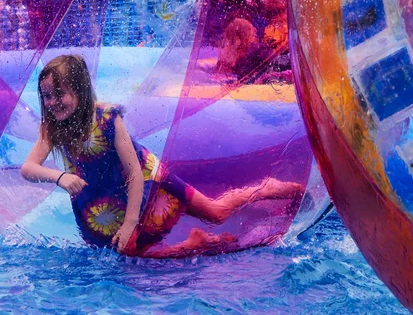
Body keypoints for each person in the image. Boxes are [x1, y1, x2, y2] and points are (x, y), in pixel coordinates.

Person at [21, 55, 302, 256]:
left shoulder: (107, 119)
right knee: (129, 256)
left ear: (80, 92)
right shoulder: (52, 128)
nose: (53, 103)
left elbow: (133, 173)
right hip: (103, 202)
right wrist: (59, 176)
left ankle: (267, 189)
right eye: (46, 96)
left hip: (147, 182)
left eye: (60, 94)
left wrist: (131, 223)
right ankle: (194, 244)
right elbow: (29, 168)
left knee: (215, 213)